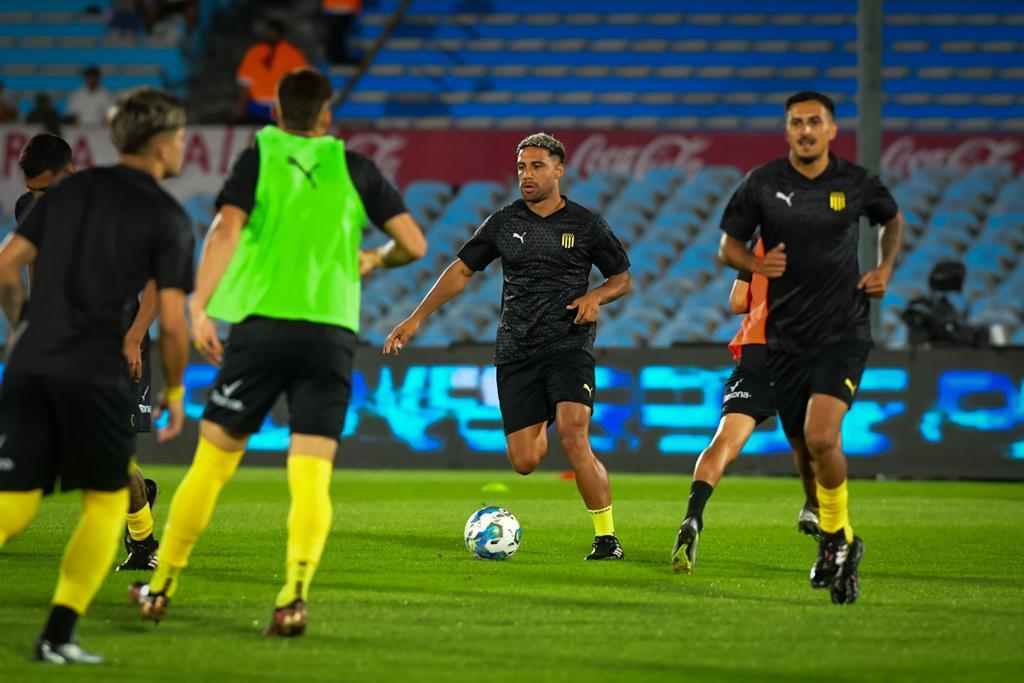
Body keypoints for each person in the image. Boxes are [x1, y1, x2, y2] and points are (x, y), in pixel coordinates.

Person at [134, 67, 426, 637]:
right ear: (326, 116)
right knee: (311, 478)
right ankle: (293, 597)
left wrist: (199, 307)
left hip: (261, 330)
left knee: (212, 466)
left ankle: (162, 584)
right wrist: (373, 259)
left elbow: (225, 228)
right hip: (330, 336)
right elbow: (414, 244)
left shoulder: (259, 155)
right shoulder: (355, 166)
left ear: (275, 112)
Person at [0, 88, 194, 663]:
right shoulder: (164, 214)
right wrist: (178, 390)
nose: (183, 146)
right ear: (161, 144)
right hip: (97, 363)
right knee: (104, 502)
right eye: (181, 137)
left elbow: (8, 266)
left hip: (33, 357)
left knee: (15, 500)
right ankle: (57, 637)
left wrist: (22, 329)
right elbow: (177, 320)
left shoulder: (59, 197)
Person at [385, 132, 632, 561]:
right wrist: (416, 317)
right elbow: (461, 271)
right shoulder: (504, 222)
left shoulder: (586, 224)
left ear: (559, 170)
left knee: (575, 435)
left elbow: (622, 278)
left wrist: (596, 297)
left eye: (537, 166)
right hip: (516, 351)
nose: (527, 175)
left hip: (568, 346)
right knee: (525, 460)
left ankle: (606, 538)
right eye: (521, 167)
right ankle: (548, 414)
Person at [717, 91, 904, 605]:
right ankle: (838, 540)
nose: (805, 130)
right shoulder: (762, 183)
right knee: (802, 453)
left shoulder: (857, 182)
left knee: (822, 437)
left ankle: (838, 537)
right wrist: (755, 267)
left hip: (842, 331)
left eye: (814, 122)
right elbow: (727, 246)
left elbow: (892, 218)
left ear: (831, 130)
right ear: (786, 131)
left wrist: (885, 268)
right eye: (796, 122)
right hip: (785, 338)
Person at [15, 132, 165, 573]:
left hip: (120, 341)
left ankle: (143, 544)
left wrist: (135, 337)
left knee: (113, 456)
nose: (38, 199)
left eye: (46, 189)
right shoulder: (31, 210)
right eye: (32, 192)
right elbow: (35, 272)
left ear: (72, 173)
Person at [670, 234, 820, 574]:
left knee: (723, 442)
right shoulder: (824, 236)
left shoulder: (762, 239)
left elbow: (738, 301)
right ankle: (813, 507)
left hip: (757, 352)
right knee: (811, 442)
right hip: (800, 353)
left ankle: (693, 515)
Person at [233, 19, 308, 124]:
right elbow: (245, 82)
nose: (270, 35)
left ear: (281, 34)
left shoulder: (292, 54)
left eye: (274, 32)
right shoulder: (254, 52)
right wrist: (240, 107)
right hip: (257, 106)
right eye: (268, 32)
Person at [323, 0, 362, 65]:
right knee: (338, 35)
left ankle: (335, 56)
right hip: (345, 7)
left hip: (333, 7)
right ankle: (338, 57)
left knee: (336, 34)